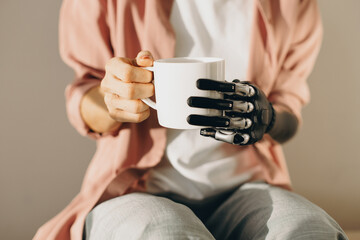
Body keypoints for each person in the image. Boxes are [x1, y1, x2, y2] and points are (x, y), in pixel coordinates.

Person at [34, 0, 348, 239]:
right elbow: (85, 91)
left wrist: (268, 118)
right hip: (136, 190)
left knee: (311, 230)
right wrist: (114, 99)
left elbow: (289, 111)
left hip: (247, 187)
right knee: (165, 232)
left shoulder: (293, 6)